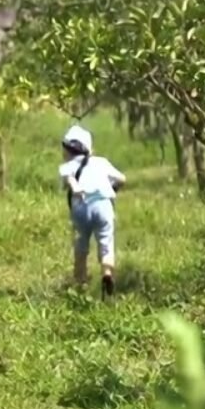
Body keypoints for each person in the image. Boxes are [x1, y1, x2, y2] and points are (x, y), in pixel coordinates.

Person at [59, 124, 126, 299]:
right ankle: (107, 273)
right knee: (106, 242)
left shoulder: (67, 166)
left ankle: (80, 283)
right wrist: (114, 187)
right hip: (103, 206)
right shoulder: (101, 162)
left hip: (81, 207)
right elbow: (122, 178)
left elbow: (69, 180)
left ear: (67, 150)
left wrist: (76, 188)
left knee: (81, 244)